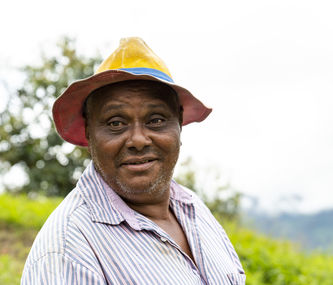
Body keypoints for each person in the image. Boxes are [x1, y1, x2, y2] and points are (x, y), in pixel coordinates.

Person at [21, 37, 245, 284]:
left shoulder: (194, 209)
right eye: (116, 123)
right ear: (89, 133)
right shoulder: (68, 250)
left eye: (156, 120)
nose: (138, 140)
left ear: (179, 124)